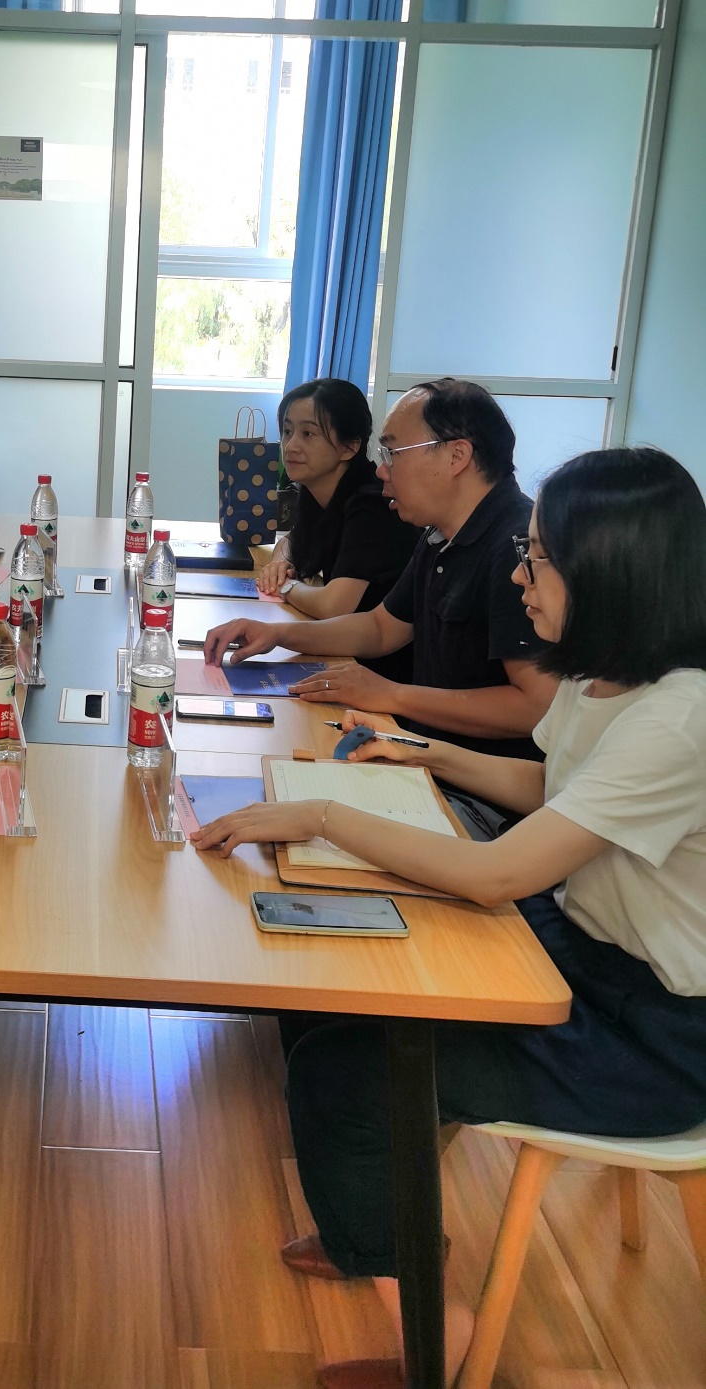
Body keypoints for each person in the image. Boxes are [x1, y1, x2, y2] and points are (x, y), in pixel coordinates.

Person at [192, 446, 706, 1388]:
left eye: (538, 558)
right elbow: (558, 788)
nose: (519, 577)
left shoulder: (681, 716)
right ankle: (377, 1219)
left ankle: (436, 1336)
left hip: (658, 1033)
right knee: (329, 979)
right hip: (581, 946)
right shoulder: (606, 675)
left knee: (346, 1073)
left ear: (612, 571)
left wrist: (323, 814)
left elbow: (496, 873)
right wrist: (420, 752)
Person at [206, 380, 557, 782]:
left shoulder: (519, 549)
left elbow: (535, 708)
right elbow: (381, 627)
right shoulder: (440, 533)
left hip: (476, 789)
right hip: (418, 754)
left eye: (393, 453)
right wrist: (277, 634)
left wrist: (392, 694)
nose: (380, 469)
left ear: (457, 455)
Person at [256, 379, 419, 682]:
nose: (291, 446)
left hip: (380, 672)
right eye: (288, 431)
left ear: (350, 446)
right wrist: (280, 563)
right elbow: (292, 539)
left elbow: (334, 606)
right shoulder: (320, 490)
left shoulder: (371, 504)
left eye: (308, 434)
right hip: (347, 656)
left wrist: (286, 587)